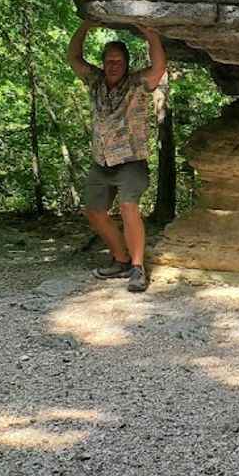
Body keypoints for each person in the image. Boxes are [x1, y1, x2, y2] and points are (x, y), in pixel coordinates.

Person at [67, 18, 167, 292]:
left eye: (118, 61)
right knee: (94, 211)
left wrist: (151, 36)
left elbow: (158, 68)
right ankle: (121, 259)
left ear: (126, 64)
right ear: (103, 62)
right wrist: (85, 26)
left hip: (130, 162)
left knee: (128, 207)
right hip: (101, 162)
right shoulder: (95, 81)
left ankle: (137, 268)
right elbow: (73, 57)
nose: (113, 65)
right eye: (109, 60)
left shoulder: (137, 84)